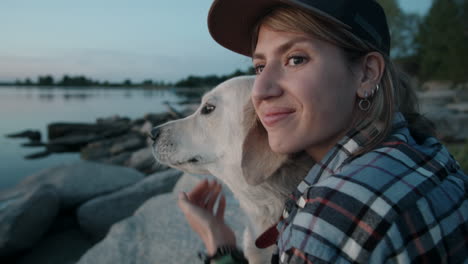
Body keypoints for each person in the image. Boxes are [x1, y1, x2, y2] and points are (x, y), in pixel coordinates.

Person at [177, 0, 468, 263]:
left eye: (296, 59)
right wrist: (222, 240)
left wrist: (220, 252)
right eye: (260, 66)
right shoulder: (430, 155)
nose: (261, 90)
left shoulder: (330, 224)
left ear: (366, 73)